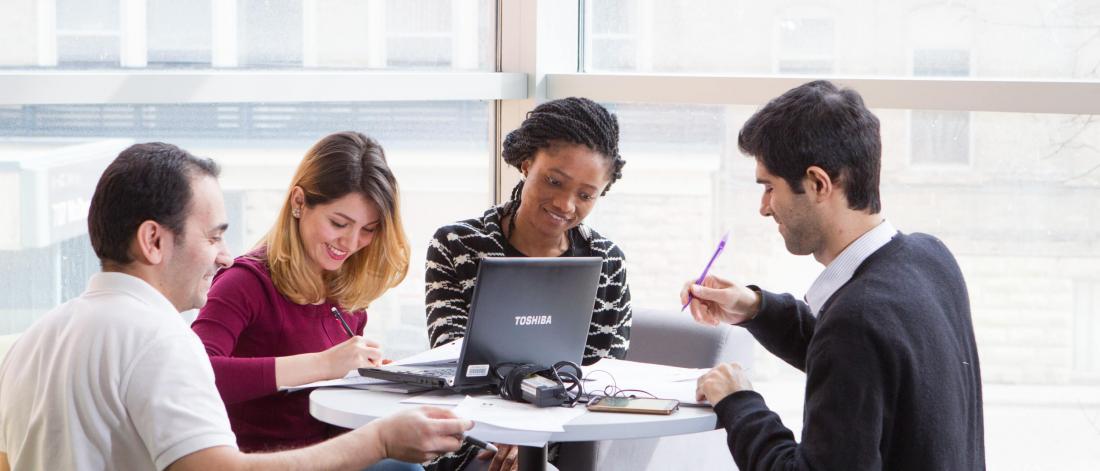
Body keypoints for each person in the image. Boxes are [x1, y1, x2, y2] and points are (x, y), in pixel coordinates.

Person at [0, 142, 469, 471]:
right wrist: (380, 439)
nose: (225, 254)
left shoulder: (30, 343)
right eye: (214, 236)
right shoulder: (162, 341)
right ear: (154, 240)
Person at [684, 81, 985, 470]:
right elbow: (859, 364)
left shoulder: (855, 321)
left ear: (818, 184)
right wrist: (754, 308)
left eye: (769, 187)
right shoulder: (931, 258)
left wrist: (738, 402)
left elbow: (850, 345)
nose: (764, 208)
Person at [424, 97, 631, 471]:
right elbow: (455, 360)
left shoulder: (607, 262)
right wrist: (506, 437)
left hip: (565, 441)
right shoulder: (457, 245)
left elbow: (603, 379)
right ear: (525, 164)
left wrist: (537, 440)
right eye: (554, 181)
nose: (566, 204)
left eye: (586, 195)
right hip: (473, 437)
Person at [191, 132, 412, 455]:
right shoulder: (243, 283)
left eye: (368, 230)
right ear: (298, 203)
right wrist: (322, 364)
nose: (351, 244)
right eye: (339, 223)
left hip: (330, 458)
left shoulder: (346, 291)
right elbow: (196, 374)